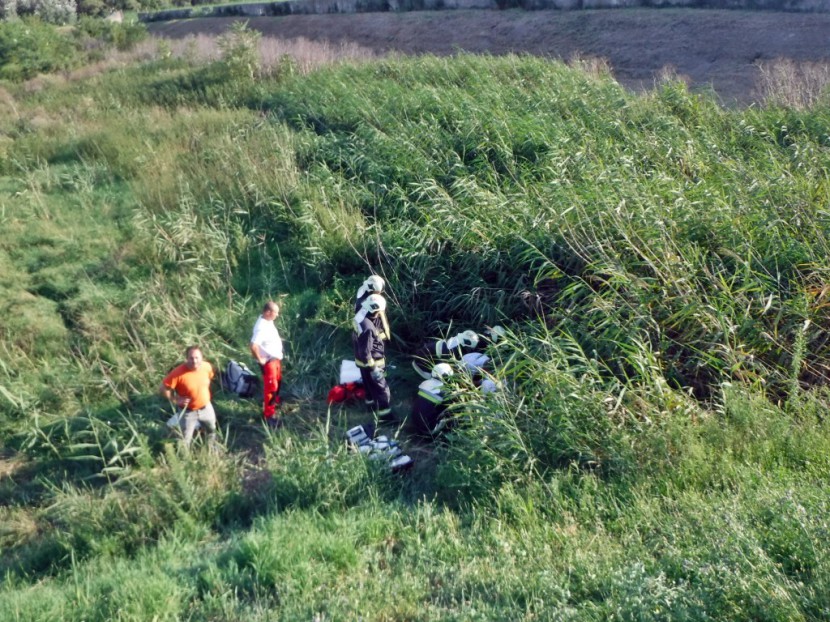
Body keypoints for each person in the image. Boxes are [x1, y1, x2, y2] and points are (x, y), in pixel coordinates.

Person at [160, 345, 217, 448]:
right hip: (188, 412)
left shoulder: (207, 367)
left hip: (206, 408)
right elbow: (163, 388)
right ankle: (185, 459)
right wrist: (175, 400)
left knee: (211, 430)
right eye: (191, 358)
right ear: (186, 358)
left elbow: (209, 378)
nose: (194, 361)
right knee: (185, 439)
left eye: (197, 358)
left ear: (202, 357)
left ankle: (211, 448)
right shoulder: (177, 373)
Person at [354, 293, 393, 422]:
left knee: (369, 386)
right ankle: (385, 417)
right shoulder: (368, 329)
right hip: (372, 362)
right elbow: (366, 351)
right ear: (377, 311)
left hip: (360, 361)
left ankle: (370, 406)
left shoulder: (361, 315)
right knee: (382, 389)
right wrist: (374, 368)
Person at [250, 300, 284, 429]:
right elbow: (253, 346)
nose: (277, 315)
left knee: (277, 382)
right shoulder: (261, 327)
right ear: (268, 312)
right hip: (268, 362)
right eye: (276, 313)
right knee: (271, 387)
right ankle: (268, 416)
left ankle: (275, 401)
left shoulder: (268, 321)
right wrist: (260, 359)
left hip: (275, 360)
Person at [411, 329, 479, 380]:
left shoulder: (454, 341)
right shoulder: (451, 350)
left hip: (422, 358)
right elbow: (447, 368)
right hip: (423, 368)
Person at [410, 363, 453, 438]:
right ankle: (446, 434)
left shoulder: (424, 384)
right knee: (452, 412)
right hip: (429, 430)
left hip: (415, 424)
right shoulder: (444, 391)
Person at [354, 275, 391, 342]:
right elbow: (385, 332)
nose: (380, 293)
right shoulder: (371, 301)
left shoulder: (362, 293)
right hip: (370, 338)